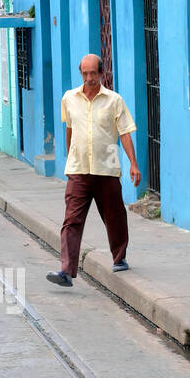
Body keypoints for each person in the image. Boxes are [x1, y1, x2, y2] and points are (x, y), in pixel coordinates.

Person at [46, 54, 141, 288]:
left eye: (93, 74)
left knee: (115, 216)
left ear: (101, 74)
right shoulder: (69, 98)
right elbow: (70, 128)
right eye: (85, 74)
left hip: (106, 169)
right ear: (81, 74)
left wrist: (133, 164)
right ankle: (66, 271)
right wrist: (69, 159)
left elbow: (125, 133)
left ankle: (119, 257)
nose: (89, 78)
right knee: (71, 221)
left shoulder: (114, 100)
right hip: (79, 171)